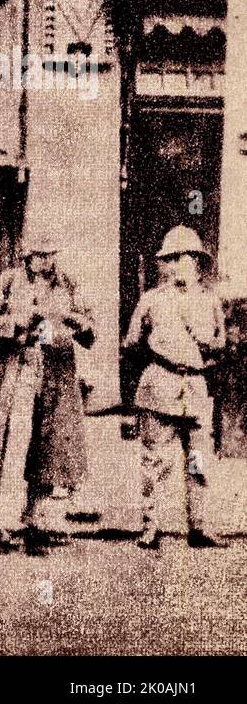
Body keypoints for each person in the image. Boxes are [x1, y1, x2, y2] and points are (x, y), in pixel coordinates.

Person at [0, 235, 94, 556]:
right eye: (38, 255)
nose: (45, 261)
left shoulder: (69, 283)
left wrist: (73, 320)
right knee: (15, 444)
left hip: (57, 374)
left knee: (50, 448)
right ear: (26, 257)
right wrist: (15, 322)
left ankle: (40, 520)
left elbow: (90, 329)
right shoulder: (9, 281)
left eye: (49, 255)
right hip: (20, 370)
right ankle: (4, 521)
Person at [125, 226, 227, 549]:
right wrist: (155, 360)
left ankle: (199, 526)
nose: (183, 265)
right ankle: (150, 526)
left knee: (197, 459)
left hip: (194, 389)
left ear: (198, 262)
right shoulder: (151, 301)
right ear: (166, 263)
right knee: (154, 461)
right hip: (159, 387)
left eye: (190, 258)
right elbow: (131, 343)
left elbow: (221, 342)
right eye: (175, 259)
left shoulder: (210, 301)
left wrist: (208, 349)